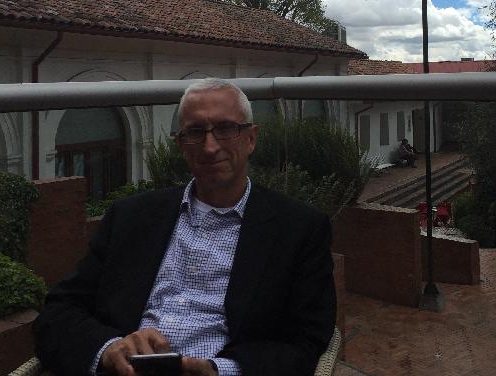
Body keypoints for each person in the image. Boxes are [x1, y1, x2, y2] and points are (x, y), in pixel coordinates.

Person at [33, 79, 336, 376]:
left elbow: (307, 340)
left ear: (251, 139)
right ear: (180, 144)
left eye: (225, 128)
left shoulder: (298, 229)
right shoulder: (130, 217)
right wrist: (110, 349)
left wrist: (221, 370)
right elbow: (59, 310)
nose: (210, 147)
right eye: (195, 132)